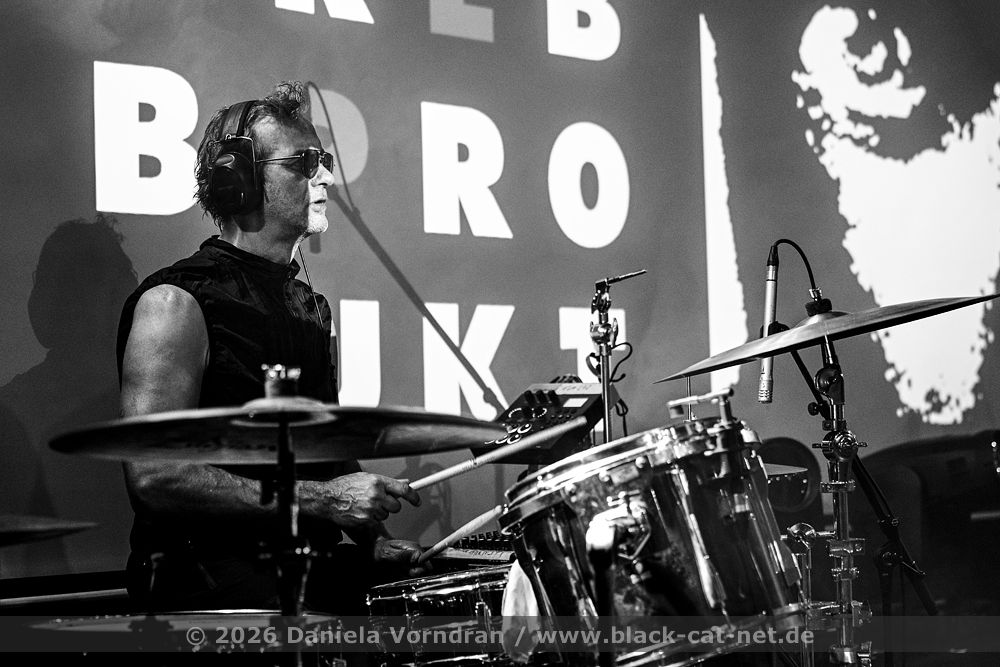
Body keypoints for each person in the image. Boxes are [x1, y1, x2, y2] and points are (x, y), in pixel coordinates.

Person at [116, 81, 426, 616]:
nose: (326, 177)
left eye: (324, 161)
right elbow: (156, 476)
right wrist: (327, 500)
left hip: (303, 571)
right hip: (206, 586)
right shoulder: (175, 303)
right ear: (238, 180)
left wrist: (374, 540)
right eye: (306, 162)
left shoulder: (310, 307)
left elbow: (322, 450)